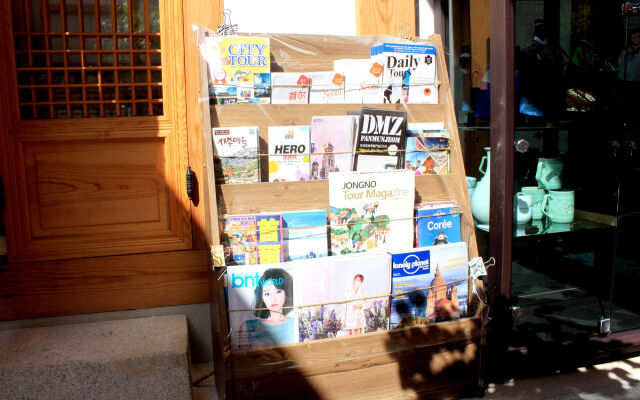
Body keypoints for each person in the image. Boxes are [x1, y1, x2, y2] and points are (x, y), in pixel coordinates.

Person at [236, 268, 294, 350]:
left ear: (287, 293)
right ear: (262, 297)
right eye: (267, 294)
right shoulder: (248, 326)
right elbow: (243, 359)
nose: (273, 299)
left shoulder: (295, 324)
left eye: (278, 292)